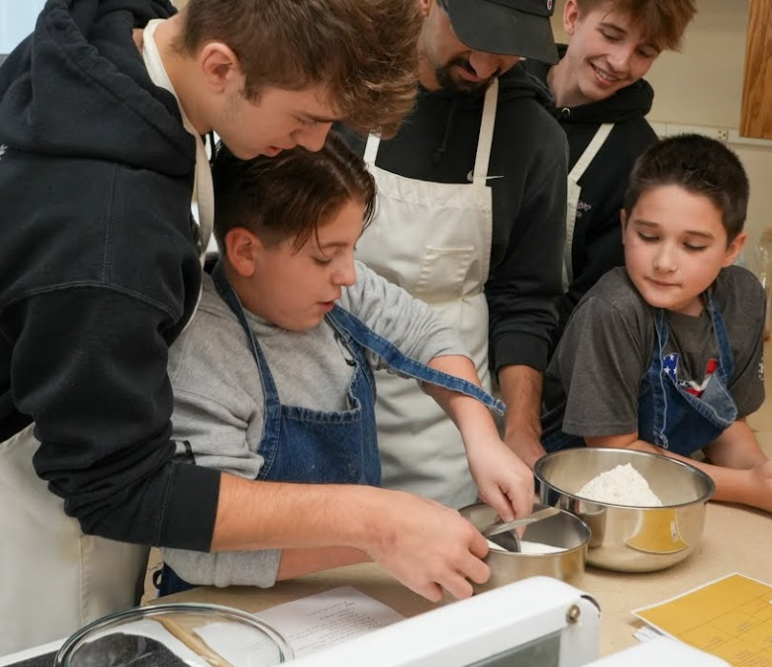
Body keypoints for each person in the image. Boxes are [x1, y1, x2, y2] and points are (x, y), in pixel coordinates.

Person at [0, 0, 484, 667]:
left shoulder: (113, 33)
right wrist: (372, 518)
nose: (311, 145)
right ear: (223, 64)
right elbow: (119, 487)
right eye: (305, 119)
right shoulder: (104, 227)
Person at [158, 135, 534, 593]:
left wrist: (481, 438)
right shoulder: (203, 355)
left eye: (351, 249)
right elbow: (199, 550)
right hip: (225, 618)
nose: (349, 274)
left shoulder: (342, 295)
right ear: (245, 252)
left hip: (344, 593)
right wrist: (378, 537)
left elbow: (427, 336)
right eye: (325, 256)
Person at [338, 0, 568, 510]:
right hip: (321, 399)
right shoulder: (337, 93)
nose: (487, 67)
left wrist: (519, 428)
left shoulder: (533, 136)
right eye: (477, 37)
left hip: (450, 432)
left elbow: (526, 297)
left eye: (510, 50)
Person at [539, 134, 772, 525]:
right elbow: (616, 456)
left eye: (693, 246)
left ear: (732, 249)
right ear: (624, 225)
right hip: (589, 501)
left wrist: (771, 477)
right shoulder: (613, 310)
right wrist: (750, 489)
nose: (664, 262)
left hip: (679, 486)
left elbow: (726, 424)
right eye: (648, 236)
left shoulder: (743, 298)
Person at [509, 0, 698, 469]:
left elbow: (590, 303)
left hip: (542, 383)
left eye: (644, 51)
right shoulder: (500, 93)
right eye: (611, 36)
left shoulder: (637, 156)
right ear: (572, 17)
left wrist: (521, 385)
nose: (621, 62)